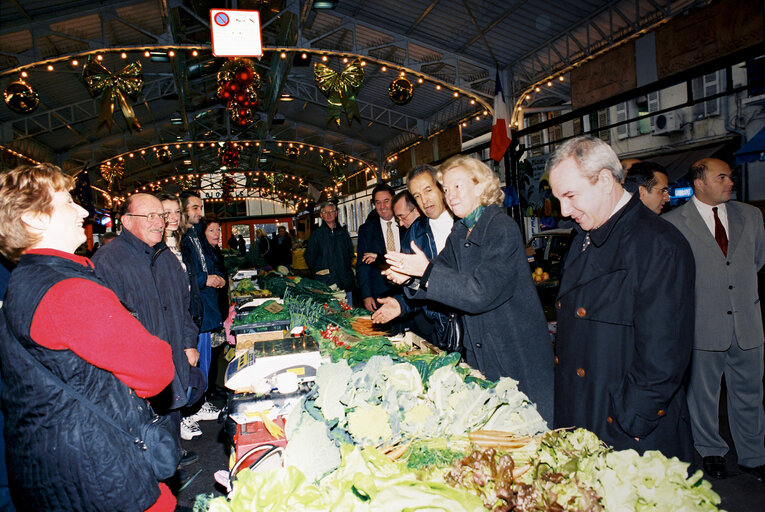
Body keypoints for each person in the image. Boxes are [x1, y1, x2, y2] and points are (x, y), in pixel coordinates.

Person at [0, 164, 176, 511]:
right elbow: (155, 369)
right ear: (35, 219)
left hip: (52, 465)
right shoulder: (69, 291)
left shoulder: (25, 280)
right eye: (67, 202)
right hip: (100, 470)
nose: (82, 210)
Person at [546, 135, 695, 460]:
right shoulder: (584, 236)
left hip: (626, 435)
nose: (565, 210)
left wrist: (629, 423)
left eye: (570, 196)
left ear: (603, 180)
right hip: (583, 419)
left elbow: (663, 357)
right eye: (559, 198)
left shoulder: (658, 244)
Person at [382, 156, 554, 422]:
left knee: (529, 425)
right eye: (446, 189)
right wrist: (409, 279)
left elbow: (480, 292)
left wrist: (424, 272)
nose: (450, 196)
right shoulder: (462, 231)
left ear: (480, 186)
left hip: (514, 349)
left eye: (457, 187)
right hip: (481, 350)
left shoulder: (501, 228)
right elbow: (438, 275)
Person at [664, 158, 765, 480]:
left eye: (730, 176)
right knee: (703, 398)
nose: (730, 182)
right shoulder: (674, 223)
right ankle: (711, 451)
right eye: (721, 177)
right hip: (702, 325)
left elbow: (757, 261)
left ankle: (754, 455)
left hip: (747, 324)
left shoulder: (751, 216)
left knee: (750, 395)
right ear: (699, 183)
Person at [92, 194, 202, 449]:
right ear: (127, 221)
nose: (159, 223)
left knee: (169, 441)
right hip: (136, 382)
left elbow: (184, 308)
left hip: (172, 366)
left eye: (161, 216)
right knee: (143, 450)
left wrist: (188, 342)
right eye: (149, 216)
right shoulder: (108, 261)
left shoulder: (166, 258)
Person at [373, 165, 455, 348]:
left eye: (428, 190)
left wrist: (426, 272)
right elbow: (420, 287)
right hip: (442, 327)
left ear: (441, 188)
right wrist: (402, 304)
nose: (424, 200)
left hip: (476, 326)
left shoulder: (464, 224)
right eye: (417, 196)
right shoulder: (415, 234)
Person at [179, 192, 225, 426]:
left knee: (204, 361)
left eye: (201, 208)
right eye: (195, 208)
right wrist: (205, 279)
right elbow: (185, 275)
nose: (199, 213)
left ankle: (199, 402)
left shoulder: (195, 235)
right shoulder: (183, 239)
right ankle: (190, 411)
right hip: (196, 309)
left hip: (205, 309)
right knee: (194, 362)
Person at [357, 184, 402, 312]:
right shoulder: (366, 230)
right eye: (378, 202)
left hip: (407, 291)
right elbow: (363, 265)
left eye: (386, 201)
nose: (382, 207)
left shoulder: (406, 223)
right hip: (379, 294)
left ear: (394, 200)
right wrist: (366, 295)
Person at [304, 202, 355, 304]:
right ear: (321, 215)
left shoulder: (343, 233)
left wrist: (345, 269)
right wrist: (320, 270)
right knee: (330, 312)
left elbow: (350, 253)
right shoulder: (316, 234)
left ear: (336, 213)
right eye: (325, 212)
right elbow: (309, 256)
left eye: (331, 211)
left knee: (348, 313)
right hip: (325, 283)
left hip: (344, 281)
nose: (328, 214)